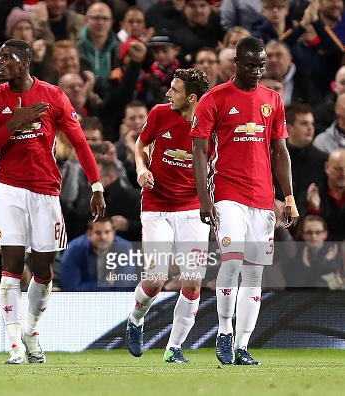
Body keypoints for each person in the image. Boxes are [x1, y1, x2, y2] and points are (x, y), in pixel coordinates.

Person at [0, 38, 106, 364]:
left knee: (44, 272)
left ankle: (31, 331)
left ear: (24, 63)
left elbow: (79, 141)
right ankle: (13, 346)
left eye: (6, 58)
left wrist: (96, 185)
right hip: (9, 188)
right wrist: (13, 123)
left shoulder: (52, 95)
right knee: (10, 267)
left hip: (46, 191)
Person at [191, 37, 299, 366]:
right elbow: (198, 150)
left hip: (263, 200)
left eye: (261, 66)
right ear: (236, 62)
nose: (256, 71)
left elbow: (280, 151)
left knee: (254, 275)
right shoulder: (214, 99)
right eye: (251, 65)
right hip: (227, 194)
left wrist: (289, 196)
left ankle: (242, 346)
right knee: (233, 262)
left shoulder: (272, 100)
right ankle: (224, 332)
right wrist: (204, 198)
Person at [125, 68, 211, 363]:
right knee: (156, 279)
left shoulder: (211, 124)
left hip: (192, 210)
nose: (167, 94)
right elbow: (141, 144)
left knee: (192, 282)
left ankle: (174, 348)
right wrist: (141, 168)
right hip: (157, 206)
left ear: (191, 97)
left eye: (174, 90)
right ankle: (136, 319)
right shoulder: (161, 114)